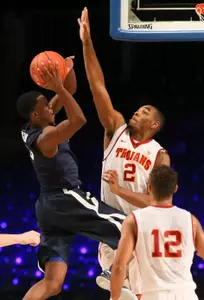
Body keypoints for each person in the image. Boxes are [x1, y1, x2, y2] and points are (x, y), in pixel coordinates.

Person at [78, 7, 170, 300]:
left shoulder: (159, 156)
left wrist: (120, 190)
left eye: (144, 112)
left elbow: (157, 204)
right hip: (110, 229)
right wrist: (87, 43)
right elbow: (97, 87)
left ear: (154, 124)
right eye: (138, 108)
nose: (136, 111)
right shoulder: (114, 130)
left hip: (141, 230)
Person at [16, 57, 126, 300]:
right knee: (128, 226)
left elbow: (71, 91)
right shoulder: (45, 138)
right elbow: (79, 120)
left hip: (47, 207)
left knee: (52, 283)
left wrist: (66, 71)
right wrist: (60, 89)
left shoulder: (32, 125)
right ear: (36, 114)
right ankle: (115, 275)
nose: (51, 107)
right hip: (65, 198)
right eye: (46, 105)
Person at [111, 165, 204, 300]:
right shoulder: (190, 220)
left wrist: (114, 298)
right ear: (175, 189)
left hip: (154, 295)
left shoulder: (134, 220)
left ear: (149, 188)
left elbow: (119, 266)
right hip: (186, 294)